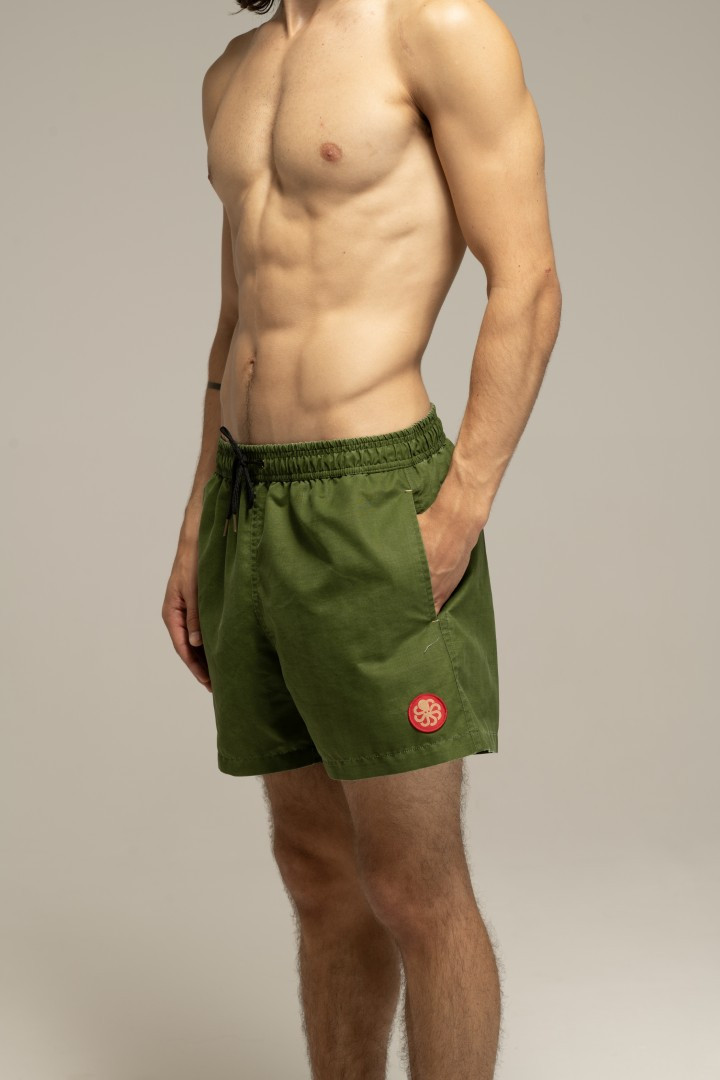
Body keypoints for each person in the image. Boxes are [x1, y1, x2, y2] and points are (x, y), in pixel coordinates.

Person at [162, 0, 561, 1072]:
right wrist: (198, 519)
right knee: (317, 876)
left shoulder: (438, 28)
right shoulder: (233, 71)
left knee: (413, 885)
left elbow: (526, 281)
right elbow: (238, 318)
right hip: (250, 500)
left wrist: (462, 504)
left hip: (372, 496)